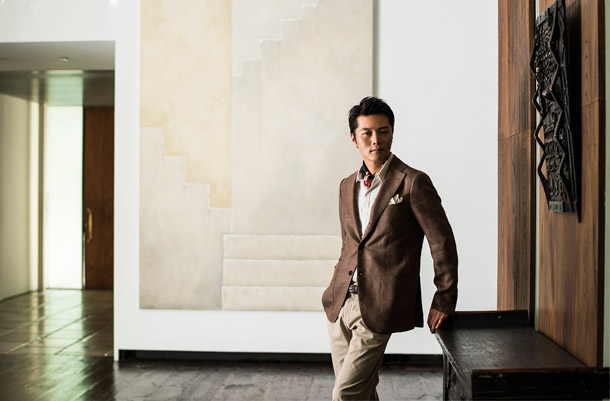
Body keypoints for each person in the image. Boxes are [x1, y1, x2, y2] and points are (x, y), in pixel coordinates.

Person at [321, 96, 458, 401]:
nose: (376, 140)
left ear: (392, 133)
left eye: (383, 131)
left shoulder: (413, 182)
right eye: (367, 133)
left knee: (345, 395)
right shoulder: (346, 185)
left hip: (381, 304)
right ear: (353, 138)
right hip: (340, 303)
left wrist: (444, 298)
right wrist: (335, 292)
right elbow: (350, 244)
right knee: (361, 393)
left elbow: (441, 241)